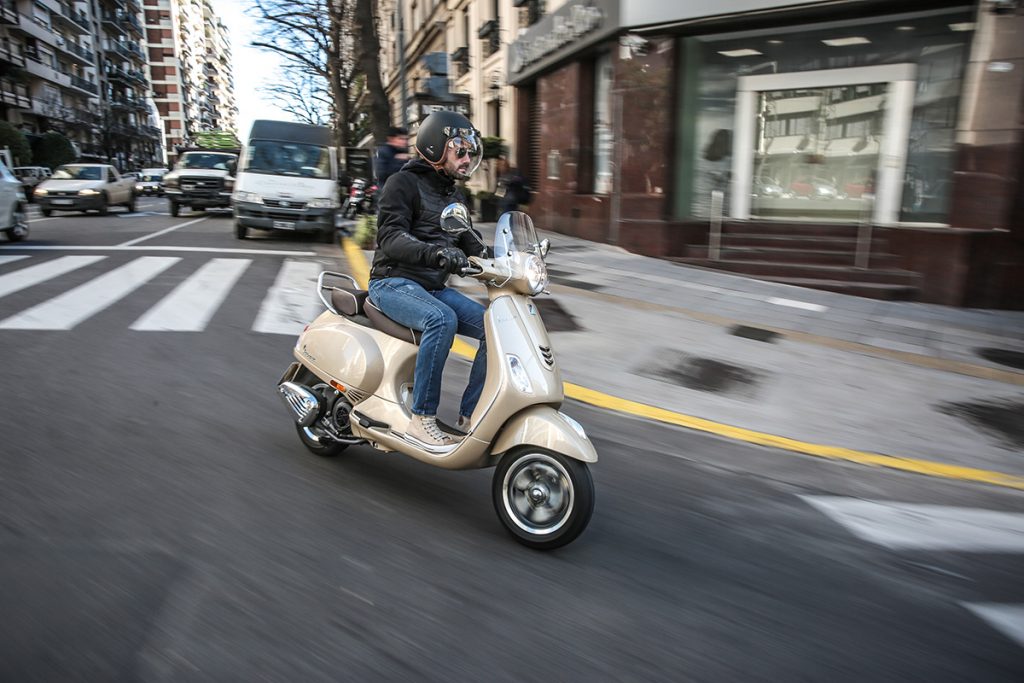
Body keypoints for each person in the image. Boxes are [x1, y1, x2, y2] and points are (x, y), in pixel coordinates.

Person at [367, 111, 487, 451]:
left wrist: (511, 261)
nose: (467, 159)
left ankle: (471, 415)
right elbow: (390, 237)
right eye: (460, 151)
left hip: (431, 287)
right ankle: (421, 419)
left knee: (494, 326)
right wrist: (435, 254)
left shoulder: (454, 197)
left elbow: (472, 243)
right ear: (435, 147)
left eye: (469, 152)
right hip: (392, 282)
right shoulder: (402, 183)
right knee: (441, 319)